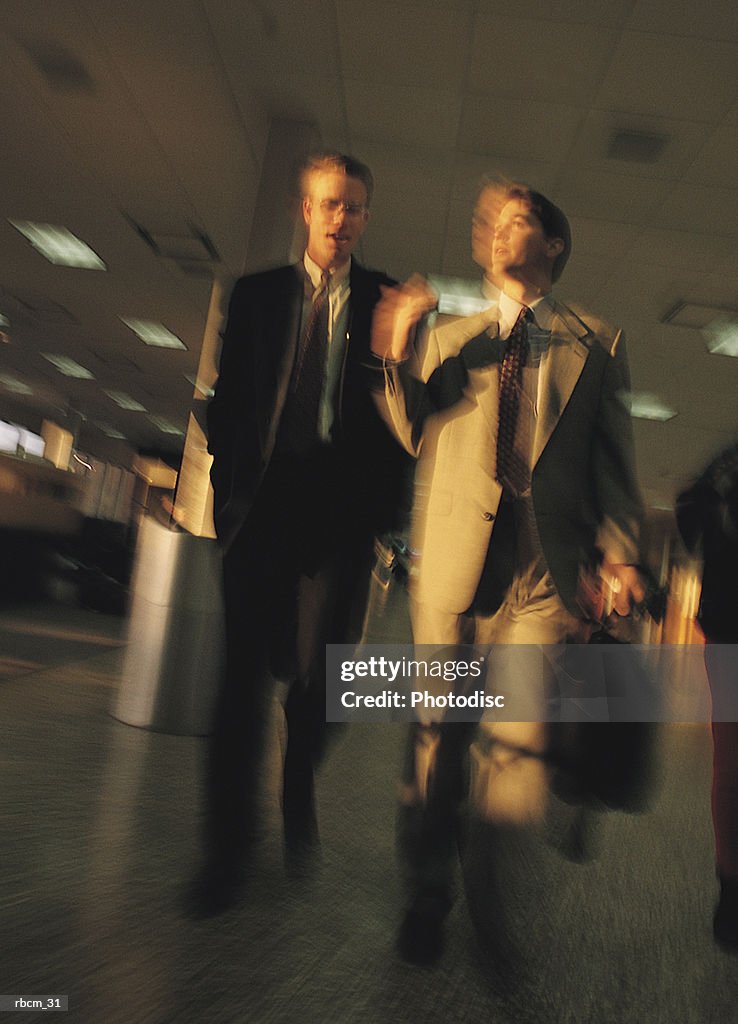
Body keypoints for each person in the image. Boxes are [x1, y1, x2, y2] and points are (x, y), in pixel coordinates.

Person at [371, 183, 644, 963]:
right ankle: (428, 892)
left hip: (542, 579)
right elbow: (407, 427)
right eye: (488, 223)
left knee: (517, 751)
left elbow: (615, 467)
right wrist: (393, 350)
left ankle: (491, 897)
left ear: (553, 244)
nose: (496, 232)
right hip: (453, 573)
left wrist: (621, 553)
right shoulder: (450, 336)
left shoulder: (601, 343)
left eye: (517, 221)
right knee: (436, 744)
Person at [188, 152, 408, 917]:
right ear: (303, 211)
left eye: (353, 207)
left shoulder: (388, 301)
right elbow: (226, 397)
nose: (341, 219)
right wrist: (230, 479)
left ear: (366, 218)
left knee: (328, 684)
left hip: (340, 516)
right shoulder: (255, 295)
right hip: (262, 507)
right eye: (328, 205)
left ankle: (298, 778)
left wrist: (402, 348)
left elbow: (408, 419)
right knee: (238, 685)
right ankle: (226, 852)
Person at [676, 441, 738, 949]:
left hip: (725, 625)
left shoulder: (725, 463)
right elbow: (687, 513)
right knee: (732, 768)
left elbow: (686, 514)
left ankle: (732, 890)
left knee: (731, 767)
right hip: (727, 629)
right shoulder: (726, 465)